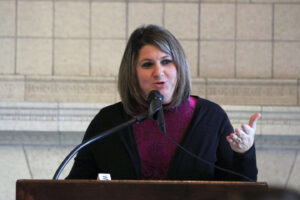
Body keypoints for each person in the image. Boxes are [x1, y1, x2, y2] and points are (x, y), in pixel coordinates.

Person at [66, 24, 260, 181]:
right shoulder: (109, 121)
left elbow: (242, 190)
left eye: (166, 61)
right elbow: (76, 185)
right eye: (147, 64)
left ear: (179, 66)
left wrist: (244, 153)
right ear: (132, 72)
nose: (159, 72)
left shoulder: (211, 116)